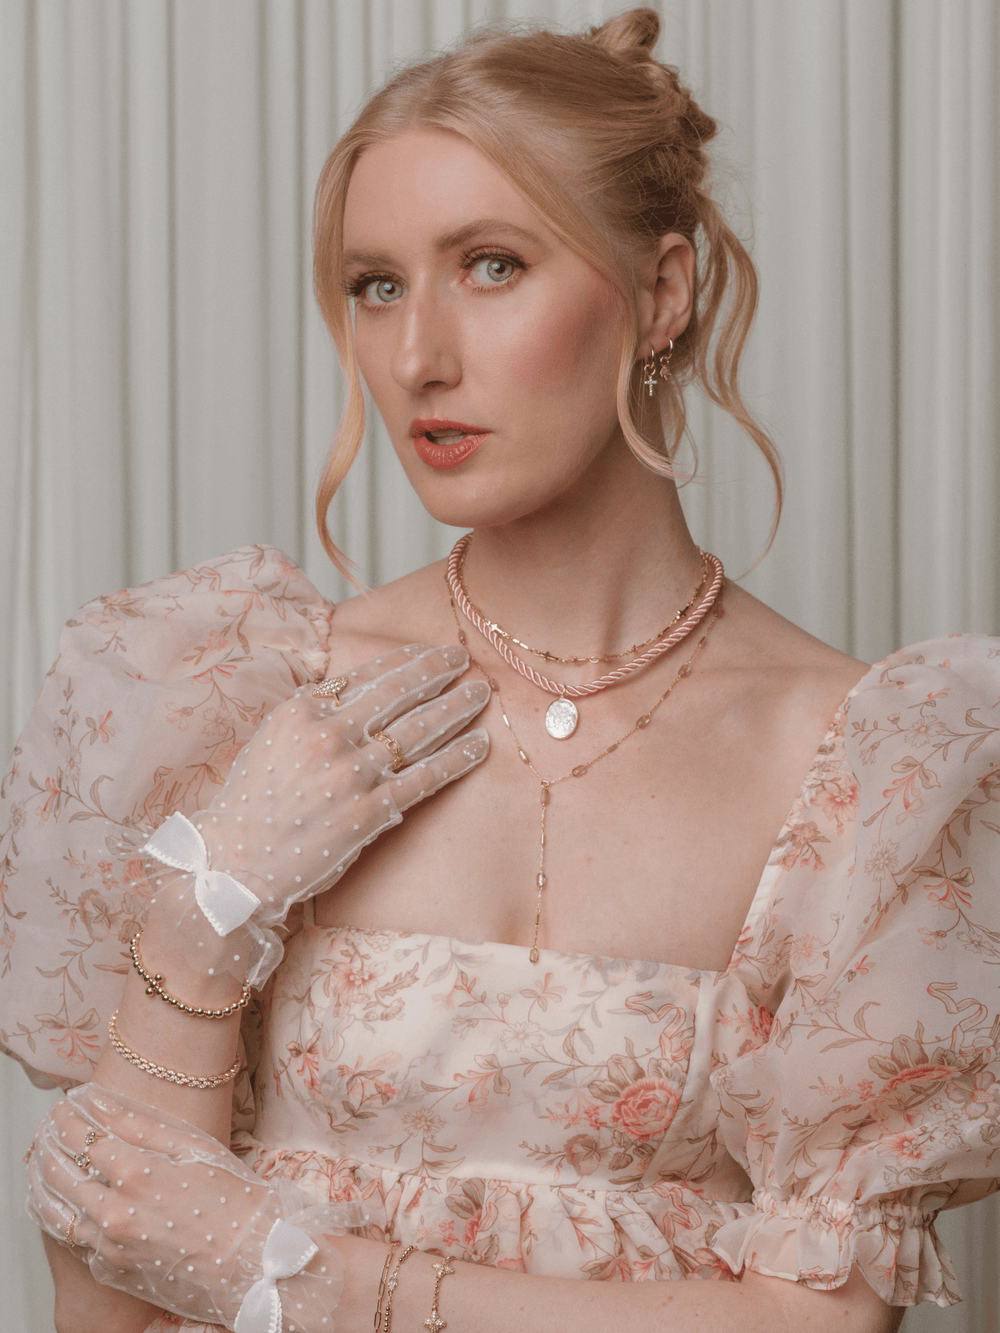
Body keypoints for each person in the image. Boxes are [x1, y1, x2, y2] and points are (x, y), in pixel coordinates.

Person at [4, 8, 999, 1332]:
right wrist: (202, 913)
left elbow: (822, 1319)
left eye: (490, 267)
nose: (418, 357)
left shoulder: (863, 769)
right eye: (377, 285)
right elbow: (106, 1311)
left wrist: (310, 1278)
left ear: (663, 292)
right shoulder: (247, 700)